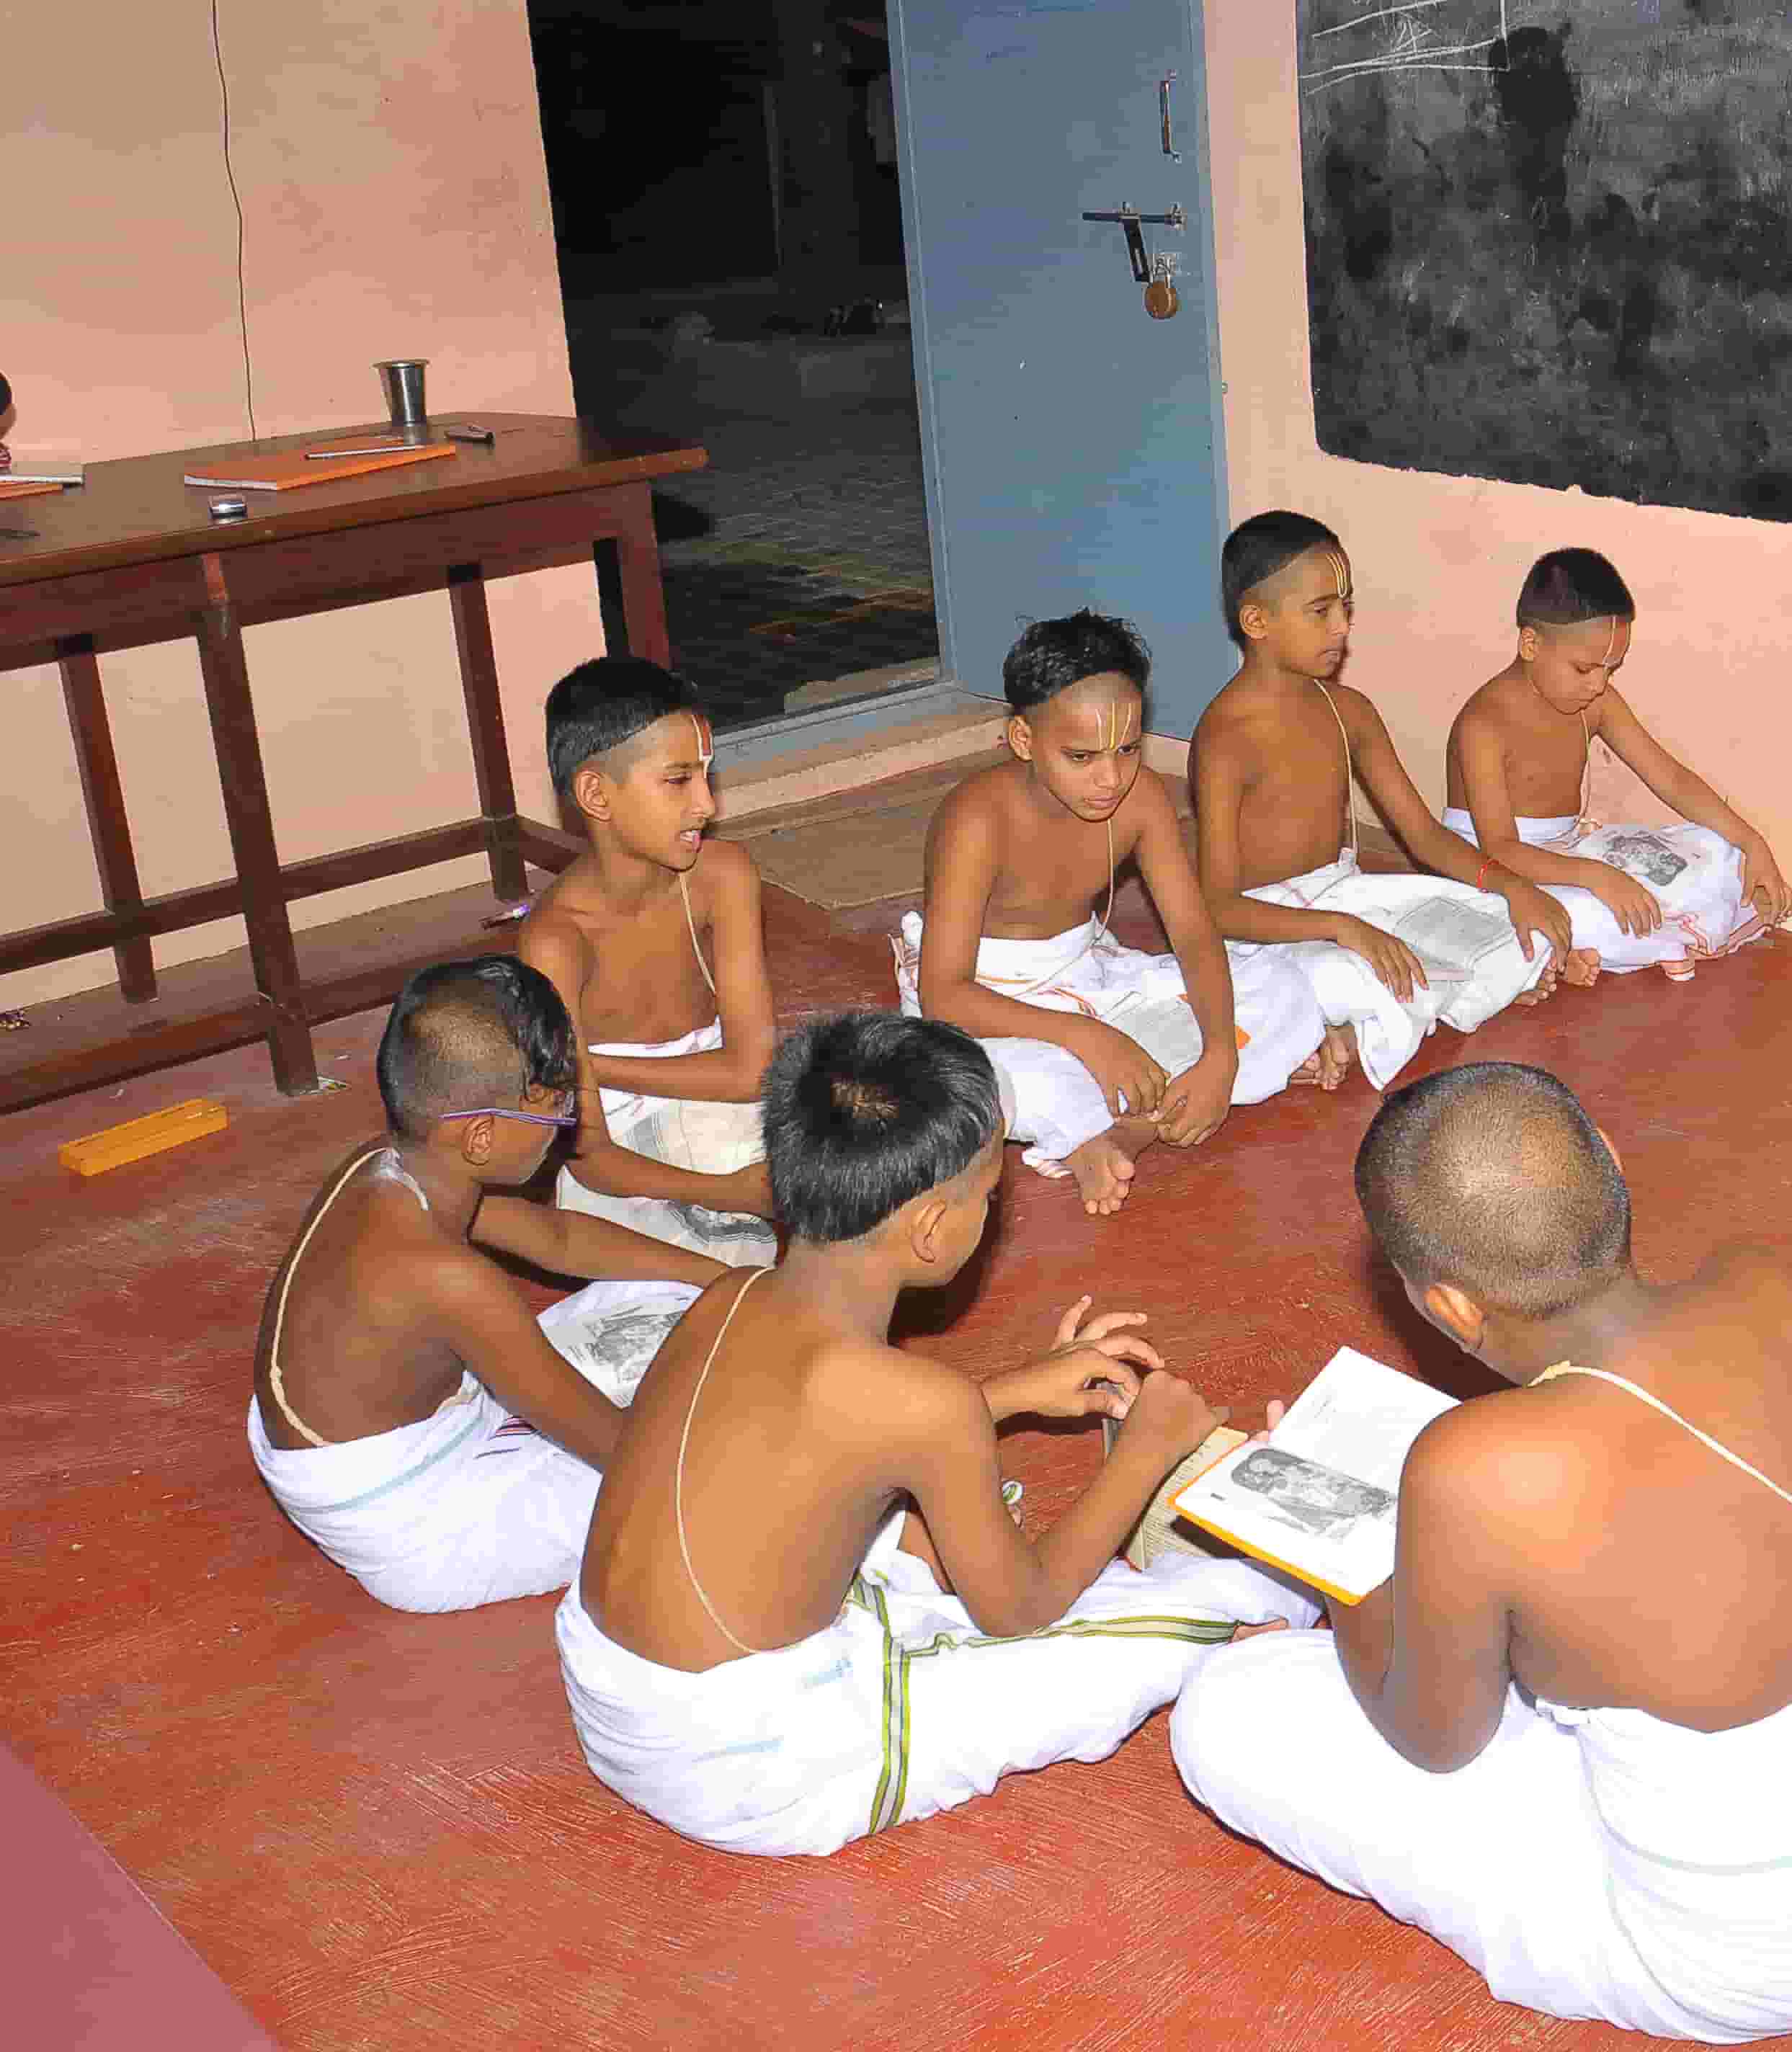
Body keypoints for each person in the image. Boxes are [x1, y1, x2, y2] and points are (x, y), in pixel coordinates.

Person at [1173, 1063, 1792, 2043]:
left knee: (1226, 1711)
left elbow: (1435, 1741)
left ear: (1450, 1306)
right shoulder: (1768, 1284)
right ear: (1613, 1168)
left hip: (1754, 1963)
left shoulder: (1474, 1469)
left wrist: (1336, 1553)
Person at [557, 1011, 1311, 1857]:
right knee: (1160, 1624)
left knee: (908, 1524)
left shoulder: (723, 1302)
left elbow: (832, 1430)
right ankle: (1259, 1595)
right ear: (931, 1229)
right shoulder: (920, 1405)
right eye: (990, 1193)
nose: (995, 1209)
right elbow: (1019, 1612)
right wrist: (1147, 1451)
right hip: (753, 1765)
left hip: (618, 1695)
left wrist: (1014, 1389)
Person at [249, 957, 725, 1613]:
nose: (566, 1127)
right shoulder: (448, 1278)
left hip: (370, 1433)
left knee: (670, 1299)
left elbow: (558, 1240)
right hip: (417, 1524)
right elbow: (617, 1450)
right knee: (728, 1464)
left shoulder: (389, 1167)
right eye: (554, 1110)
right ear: (480, 1134)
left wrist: (727, 1281)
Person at [896, 609, 1326, 1216]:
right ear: (1024, 740)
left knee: (1285, 986)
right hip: (986, 1002)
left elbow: (1196, 937)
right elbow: (944, 994)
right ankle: (1126, 1119)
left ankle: (1133, 1129)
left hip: (1091, 973)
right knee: (990, 1087)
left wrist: (1220, 1054)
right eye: (1081, 757)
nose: (1110, 777)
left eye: (1127, 749)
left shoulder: (1141, 797)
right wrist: (1089, 1037)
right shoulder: (977, 819)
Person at [1190, 512, 1569, 1091]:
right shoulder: (1225, 739)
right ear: (1256, 620)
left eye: (1346, 607)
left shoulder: (1350, 711)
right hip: (1265, 927)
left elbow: (1422, 835)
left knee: (1518, 929)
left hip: (1345, 894)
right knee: (1351, 975)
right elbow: (1216, 908)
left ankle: (1354, 1024)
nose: (1341, 626)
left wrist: (1510, 885)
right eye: (1321, 612)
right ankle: (1345, 1022)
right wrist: (1342, 928)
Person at [518, 656, 779, 1263]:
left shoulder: (723, 875)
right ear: (595, 795)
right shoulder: (557, 940)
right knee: (680, 1259)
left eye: (707, 777)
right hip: (623, 1164)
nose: (708, 806)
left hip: (726, 1107)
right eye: (678, 780)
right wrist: (728, 1194)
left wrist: (598, 1067)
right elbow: (594, 1158)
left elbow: (750, 1072)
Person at [1439, 548, 1790, 981]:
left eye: (1611, 669)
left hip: (1570, 853)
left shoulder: (1597, 701)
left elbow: (1671, 780)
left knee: (1718, 848)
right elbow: (1501, 849)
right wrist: (1595, 877)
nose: (1599, 684)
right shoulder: (1484, 723)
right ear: (1531, 644)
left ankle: (1592, 946)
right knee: (1587, 910)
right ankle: (1571, 948)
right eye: (1585, 668)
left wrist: (1754, 844)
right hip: (1493, 870)